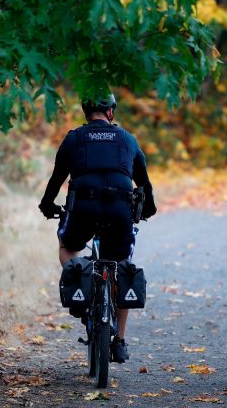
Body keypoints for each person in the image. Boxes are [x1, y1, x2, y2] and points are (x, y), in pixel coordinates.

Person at [38, 92, 157, 363]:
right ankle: (121, 341)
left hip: (83, 208)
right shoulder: (128, 139)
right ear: (111, 112)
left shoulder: (73, 138)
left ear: (85, 111)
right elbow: (144, 183)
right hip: (120, 209)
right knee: (123, 265)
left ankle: (82, 284)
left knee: (68, 247)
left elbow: (56, 179)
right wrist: (148, 208)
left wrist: (47, 205)